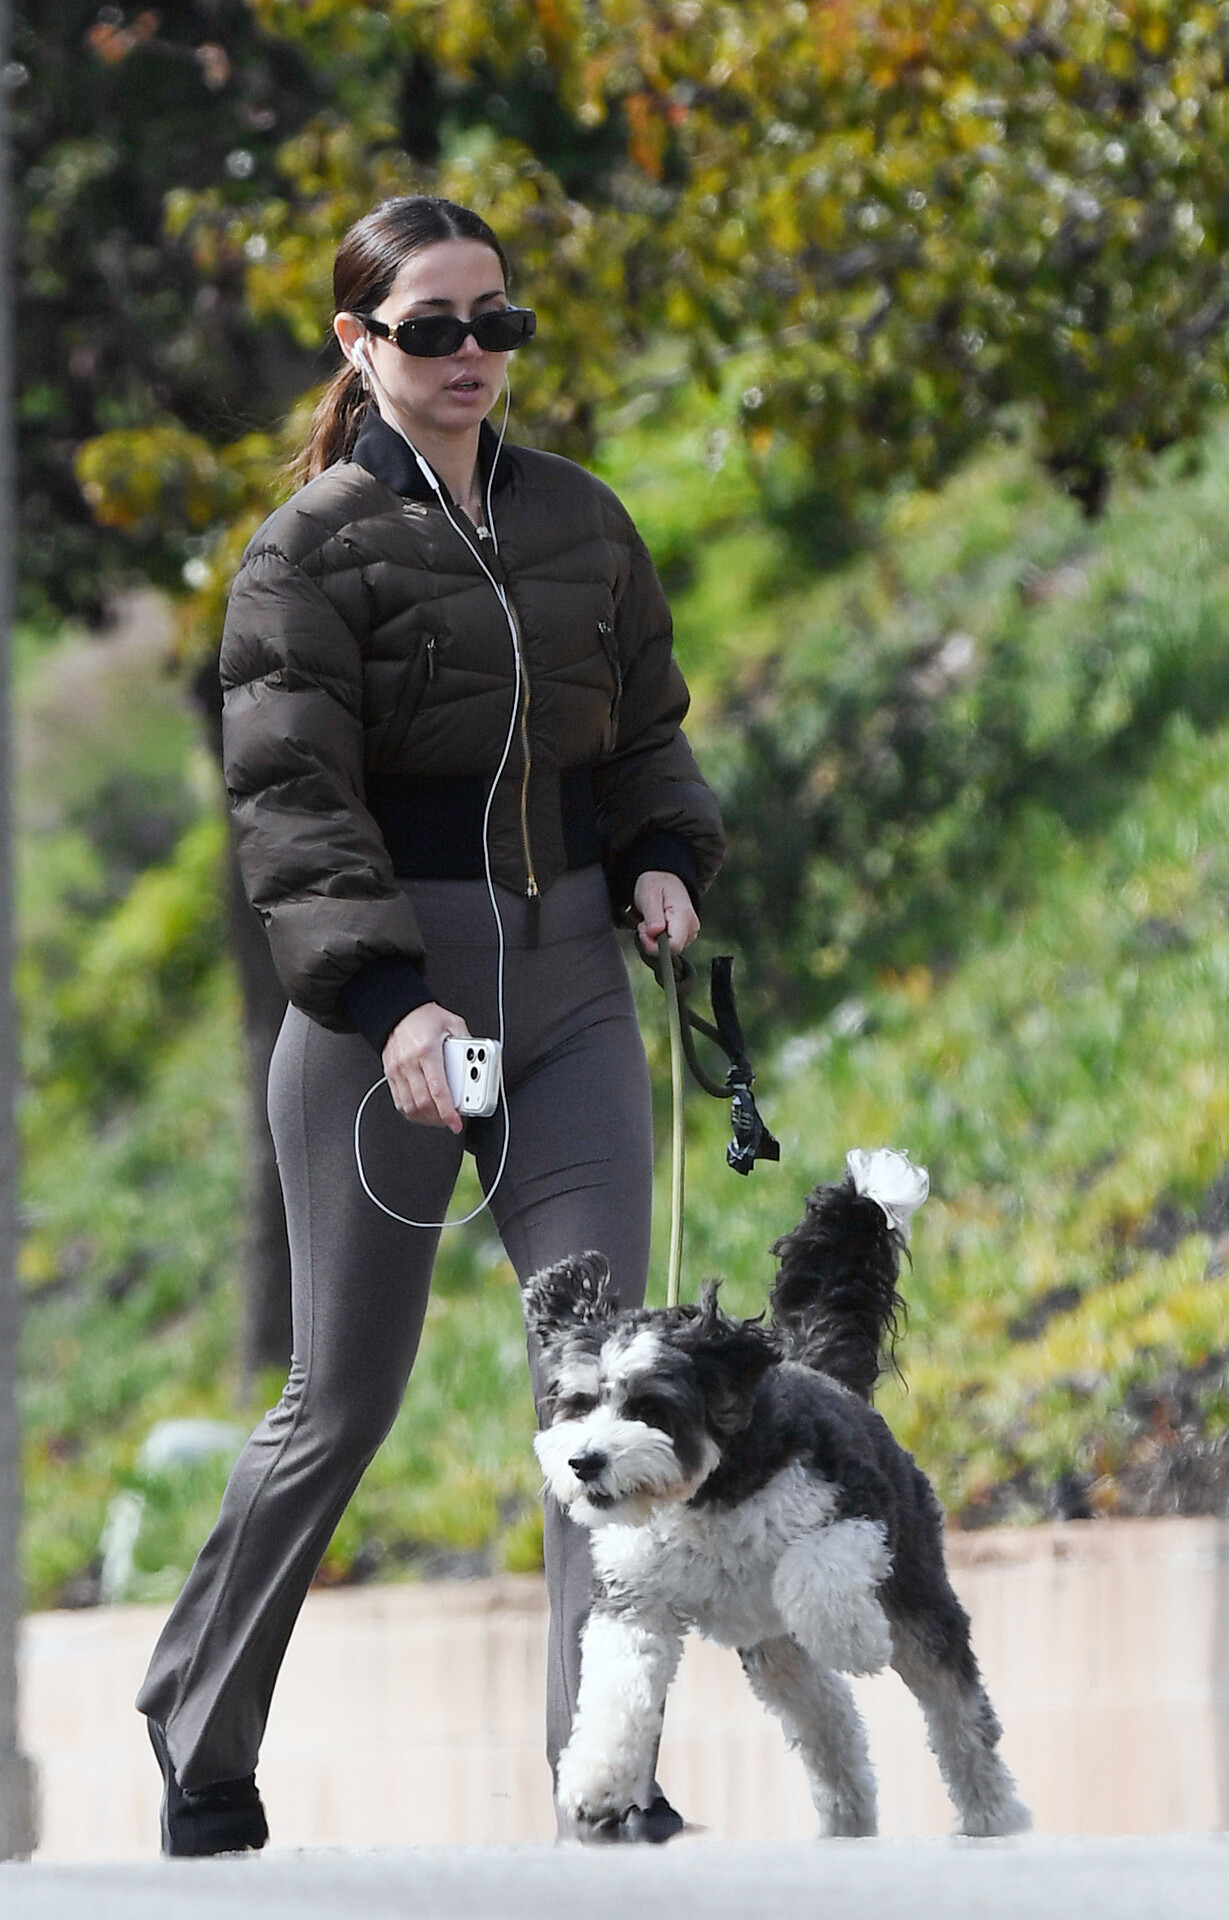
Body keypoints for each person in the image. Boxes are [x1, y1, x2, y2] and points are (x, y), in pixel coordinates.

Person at [136, 195, 725, 1855]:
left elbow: (647, 733)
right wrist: (391, 1000)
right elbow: (292, 806)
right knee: (343, 1400)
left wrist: (663, 857)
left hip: (571, 989)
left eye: (495, 322)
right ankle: (197, 1722)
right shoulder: (308, 550)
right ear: (359, 341)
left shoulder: (583, 521)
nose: (471, 354)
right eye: (431, 327)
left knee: (600, 1387)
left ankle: (603, 1773)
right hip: (387, 1008)